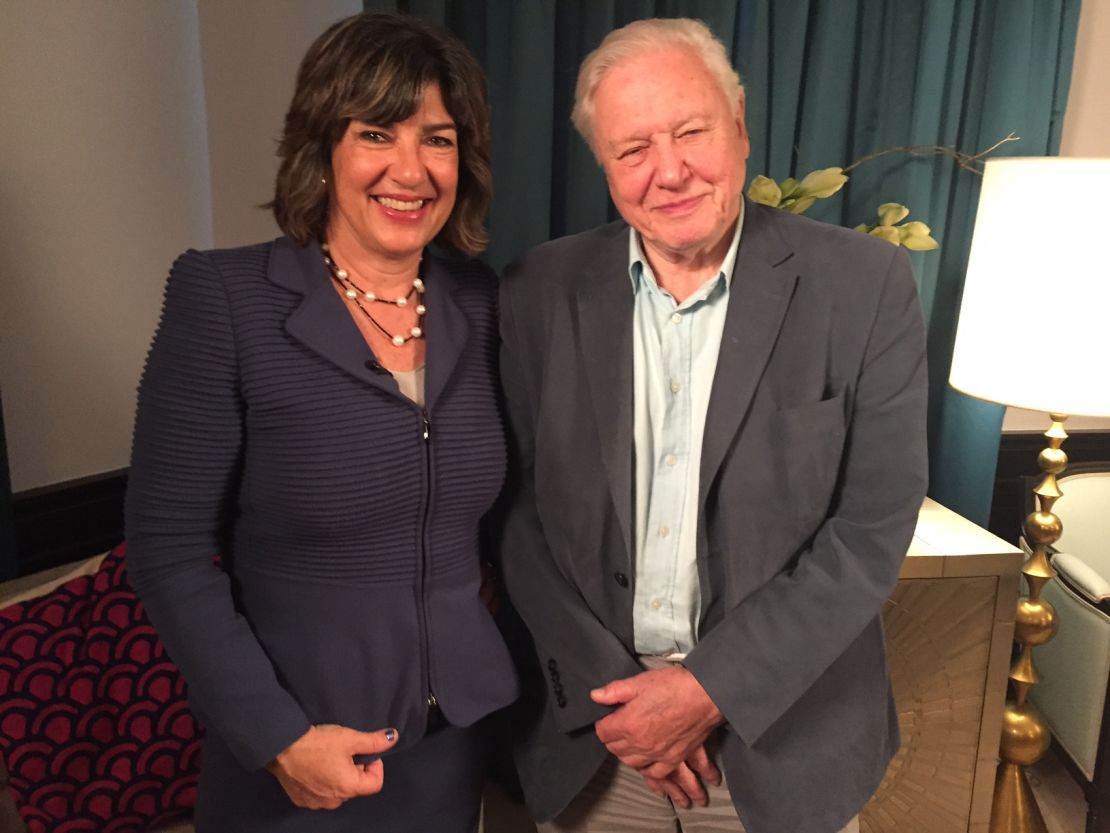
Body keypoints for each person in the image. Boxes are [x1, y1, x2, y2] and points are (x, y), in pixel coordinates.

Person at [497, 17, 927, 833]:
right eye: (633, 149)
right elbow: (517, 510)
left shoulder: (864, 283)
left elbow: (872, 527)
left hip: (786, 733)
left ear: (740, 129)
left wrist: (706, 689)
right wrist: (621, 706)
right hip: (603, 736)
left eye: (691, 131)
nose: (670, 170)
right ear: (605, 166)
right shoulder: (537, 291)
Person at [125, 12, 517, 833]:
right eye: (377, 132)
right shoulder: (224, 299)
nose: (410, 169)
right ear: (323, 145)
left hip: (454, 744)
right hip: (295, 753)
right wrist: (275, 737)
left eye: (437, 139)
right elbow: (167, 552)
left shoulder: (486, 306)